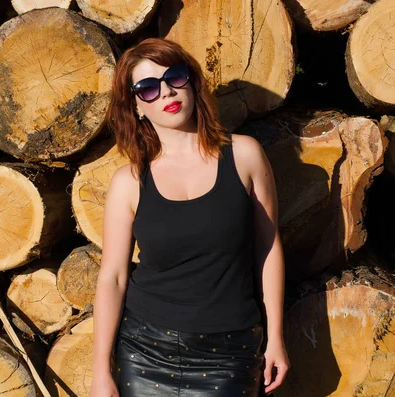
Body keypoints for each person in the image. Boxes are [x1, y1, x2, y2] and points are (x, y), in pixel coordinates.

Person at [90, 37, 289, 397]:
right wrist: (101, 370)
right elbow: (114, 278)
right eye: (148, 88)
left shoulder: (244, 156)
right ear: (135, 106)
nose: (165, 93)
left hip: (231, 352)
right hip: (144, 350)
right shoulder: (129, 182)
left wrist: (275, 336)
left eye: (175, 77)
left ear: (192, 83)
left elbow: (268, 247)